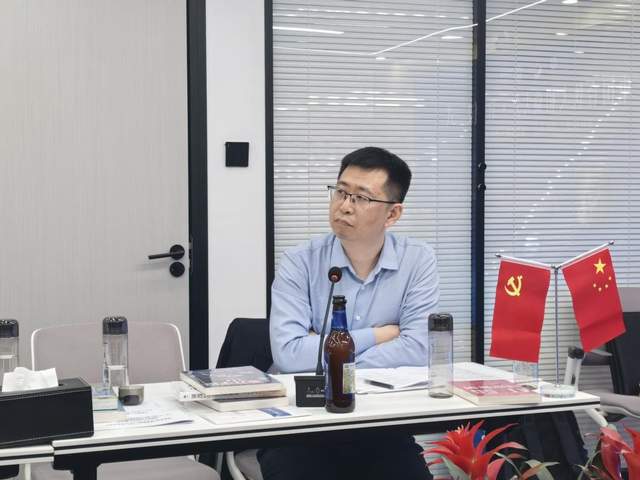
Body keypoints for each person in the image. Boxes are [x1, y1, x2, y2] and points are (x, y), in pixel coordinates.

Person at [259, 147, 439, 480]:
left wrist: (327, 350)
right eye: (341, 192)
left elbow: (419, 349)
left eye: (361, 198)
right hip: (302, 425)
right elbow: (289, 355)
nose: (344, 205)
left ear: (393, 214)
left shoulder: (417, 261)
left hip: (380, 426)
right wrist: (380, 335)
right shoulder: (299, 261)